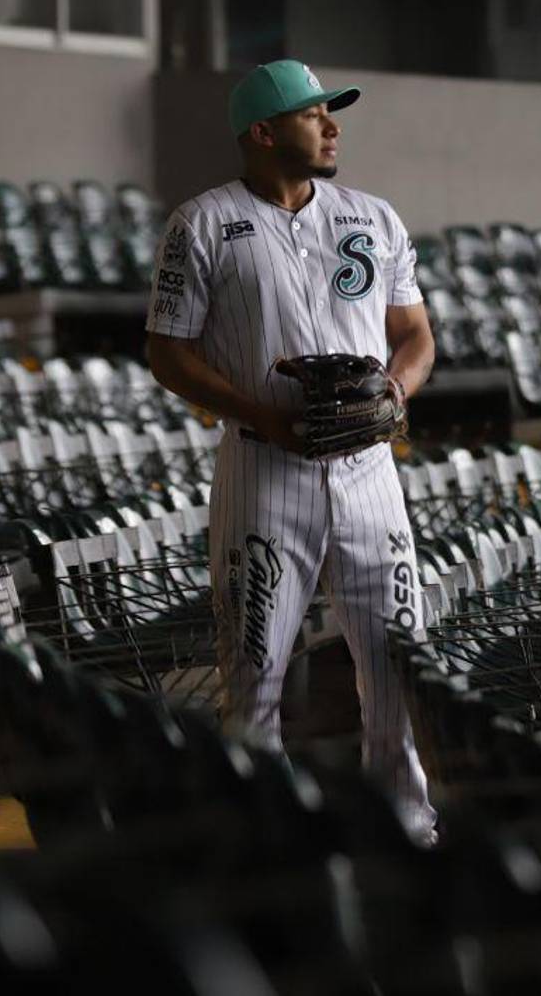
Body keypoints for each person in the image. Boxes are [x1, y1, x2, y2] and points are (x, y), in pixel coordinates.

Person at [145, 59, 437, 845]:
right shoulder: (201, 222)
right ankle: (258, 832)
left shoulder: (373, 216)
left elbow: (413, 336)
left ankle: (406, 823)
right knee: (254, 671)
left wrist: (397, 393)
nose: (333, 124)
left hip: (370, 473)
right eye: (315, 113)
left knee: (397, 662)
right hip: (264, 468)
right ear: (262, 132)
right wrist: (258, 414)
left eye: (331, 112)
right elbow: (166, 352)